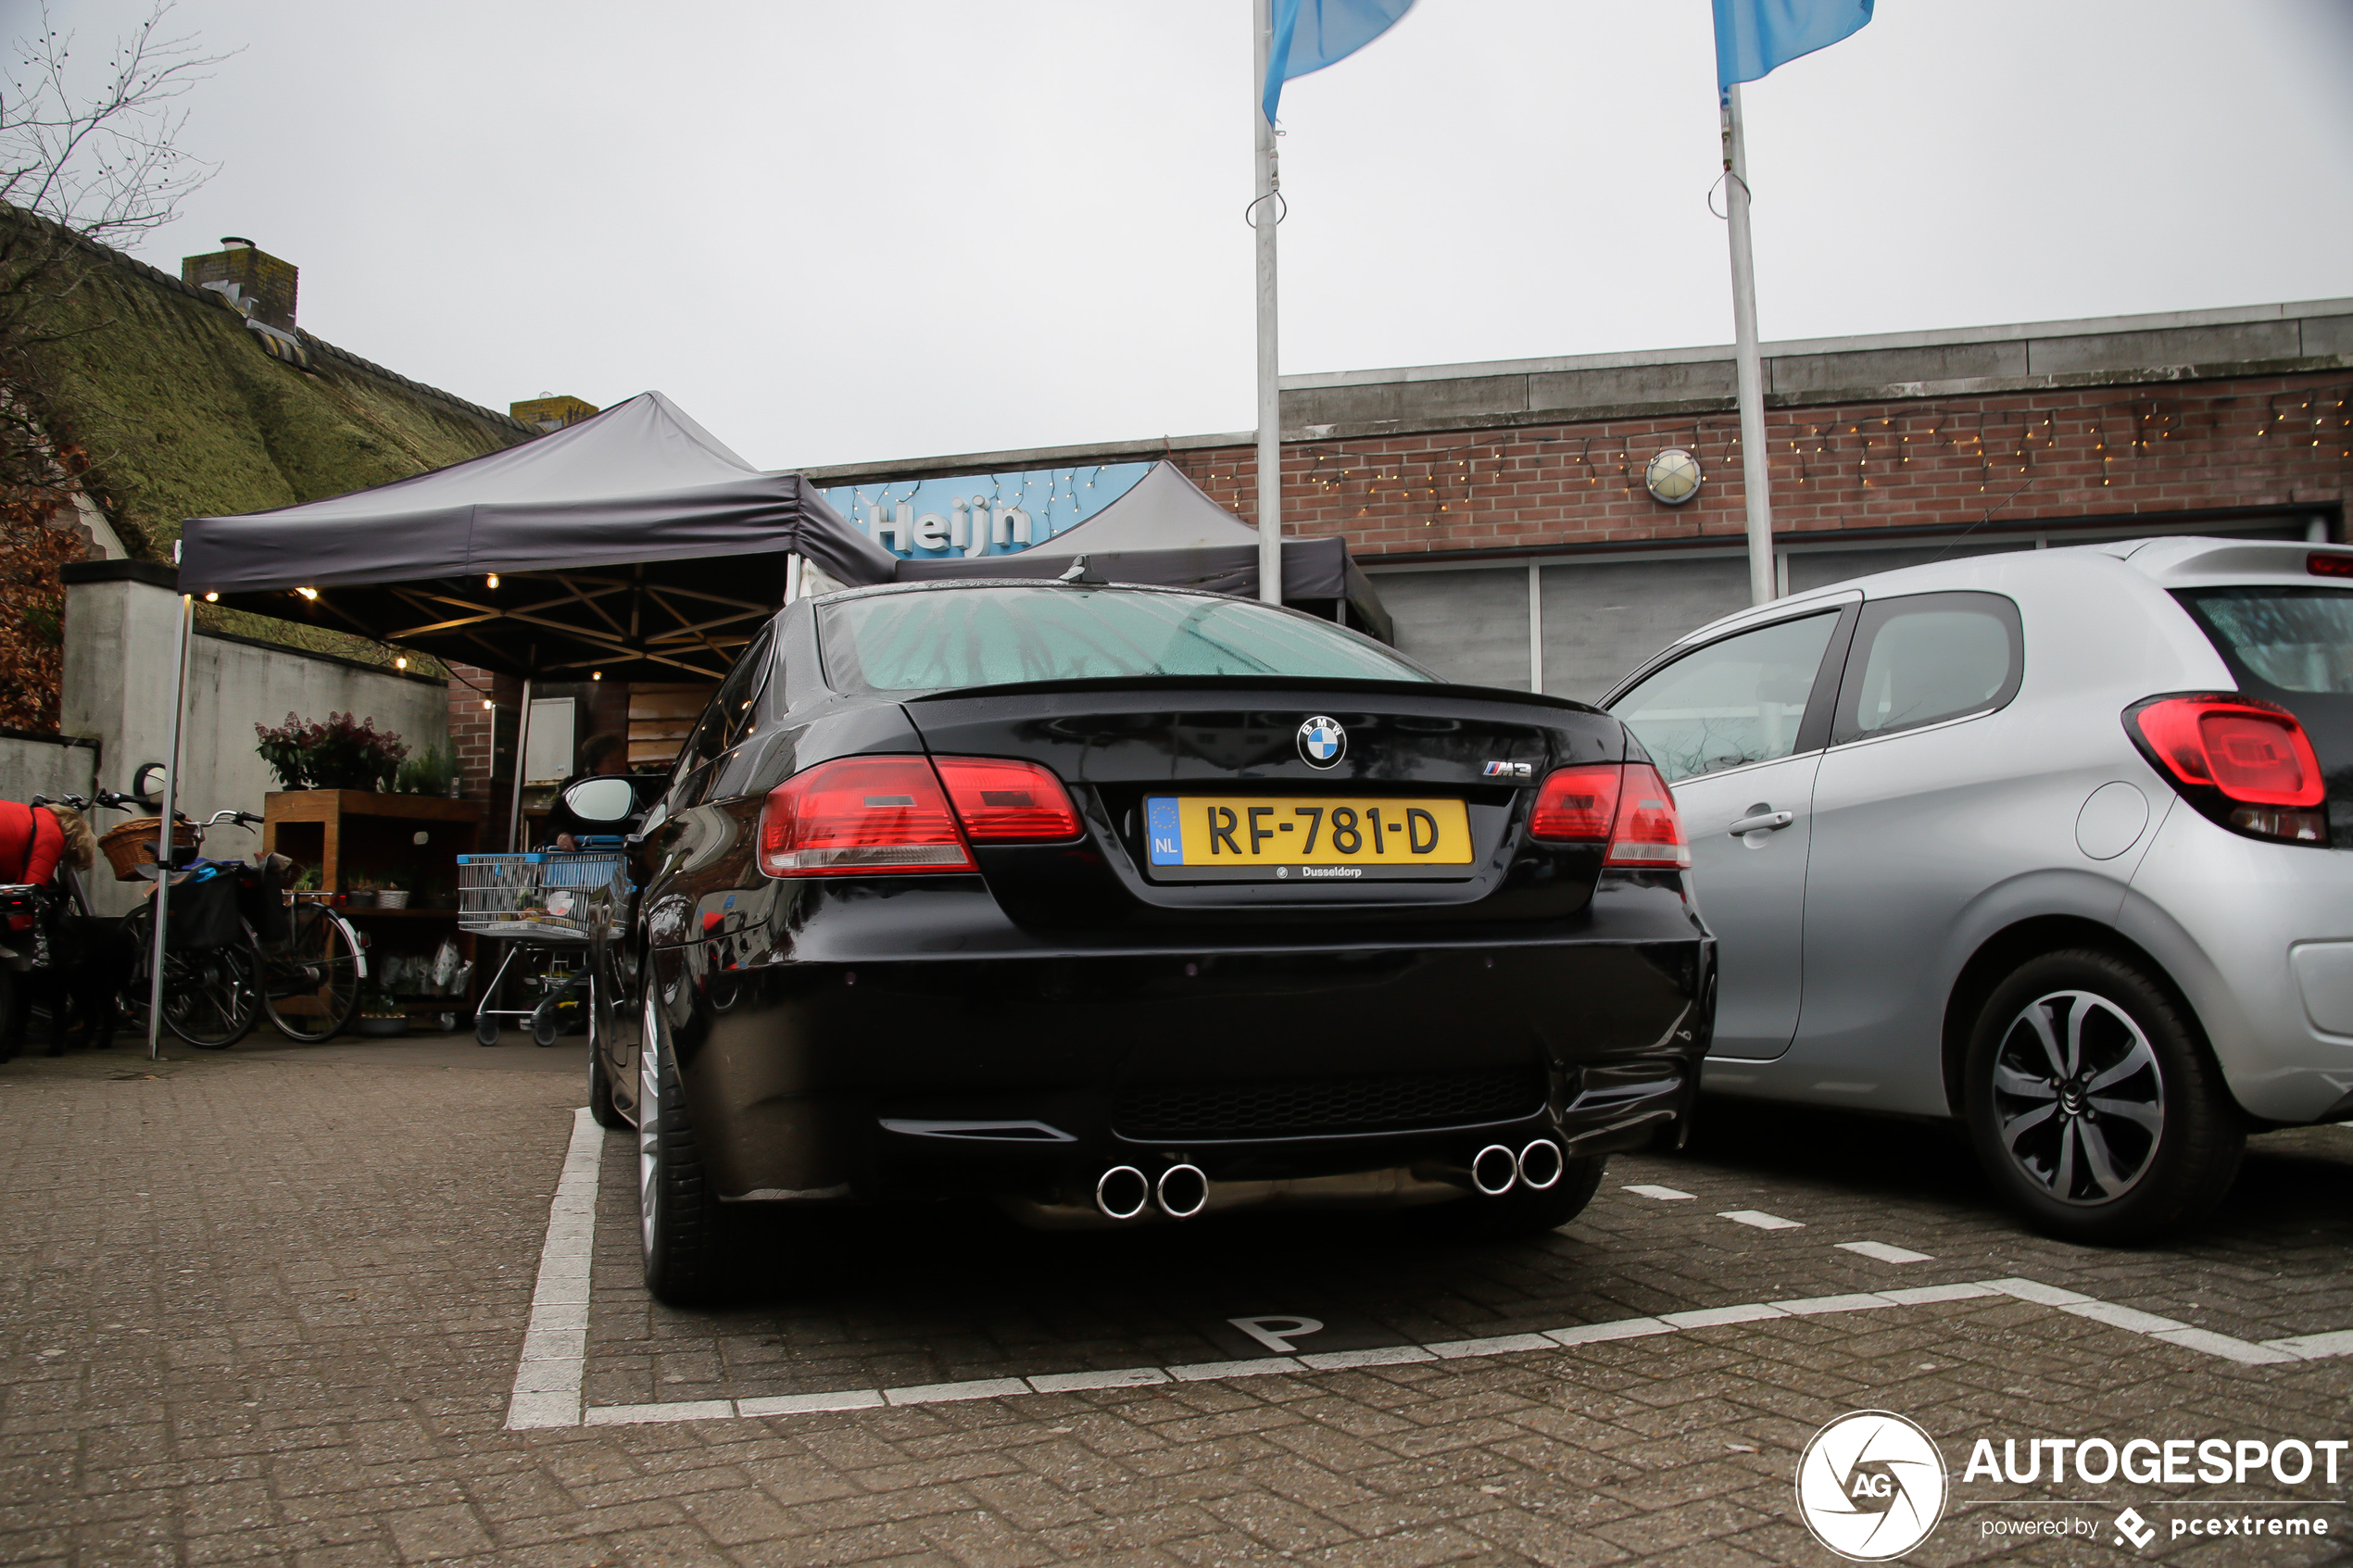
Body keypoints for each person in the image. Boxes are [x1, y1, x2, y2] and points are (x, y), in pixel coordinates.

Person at [545, 733, 649, 850]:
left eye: (620, 758)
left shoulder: (641, 786)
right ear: (596, 766)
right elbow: (553, 823)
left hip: (627, 853)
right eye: (611, 761)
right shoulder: (575, 788)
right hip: (583, 854)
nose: (618, 765)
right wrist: (561, 836)